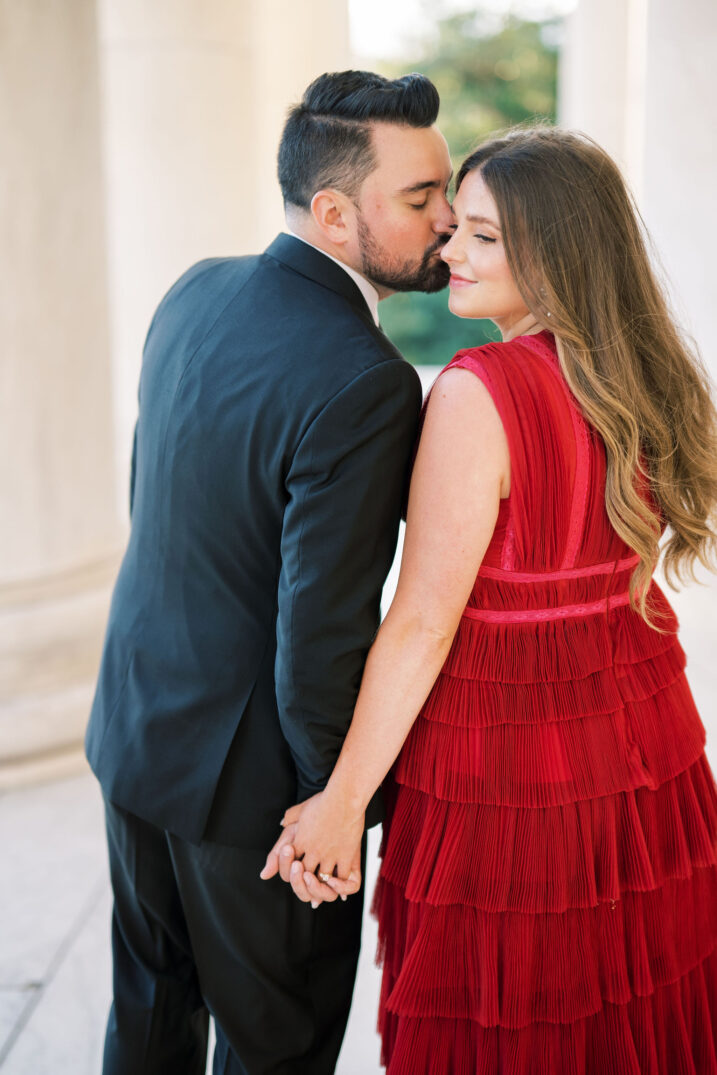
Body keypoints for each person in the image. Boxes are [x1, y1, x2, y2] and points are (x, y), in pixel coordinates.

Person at [264, 126, 717, 1073]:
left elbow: (423, 622)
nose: (448, 253)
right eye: (453, 228)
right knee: (626, 1007)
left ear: (557, 253)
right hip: (639, 744)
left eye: (482, 237)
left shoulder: (480, 391)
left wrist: (340, 802)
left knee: (504, 1023)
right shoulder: (639, 371)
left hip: (505, 762)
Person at [85, 69, 454, 1075]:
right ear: (335, 213)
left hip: (133, 735)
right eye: (421, 199)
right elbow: (321, 635)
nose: (451, 218)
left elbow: (153, 507)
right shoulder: (366, 380)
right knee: (274, 1051)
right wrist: (335, 808)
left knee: (149, 1019)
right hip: (256, 801)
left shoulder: (195, 288)